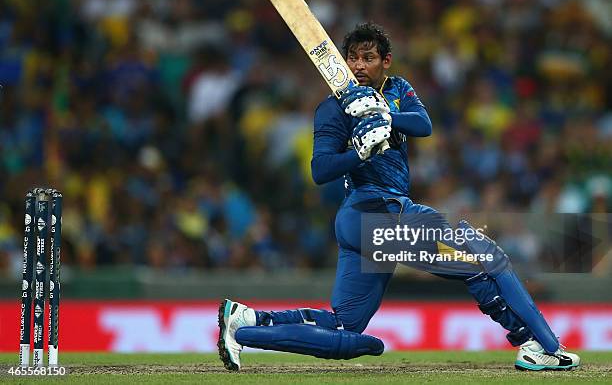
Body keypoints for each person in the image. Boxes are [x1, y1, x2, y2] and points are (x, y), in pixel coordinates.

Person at [218, 22, 580, 372]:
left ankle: (246, 324)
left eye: (368, 58)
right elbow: (320, 170)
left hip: (386, 217)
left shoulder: (399, 89)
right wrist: (358, 153)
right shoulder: (333, 107)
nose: (359, 65)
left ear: (385, 61)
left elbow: (424, 125)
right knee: (483, 257)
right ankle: (539, 346)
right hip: (369, 217)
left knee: (345, 327)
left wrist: (384, 112)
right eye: (352, 58)